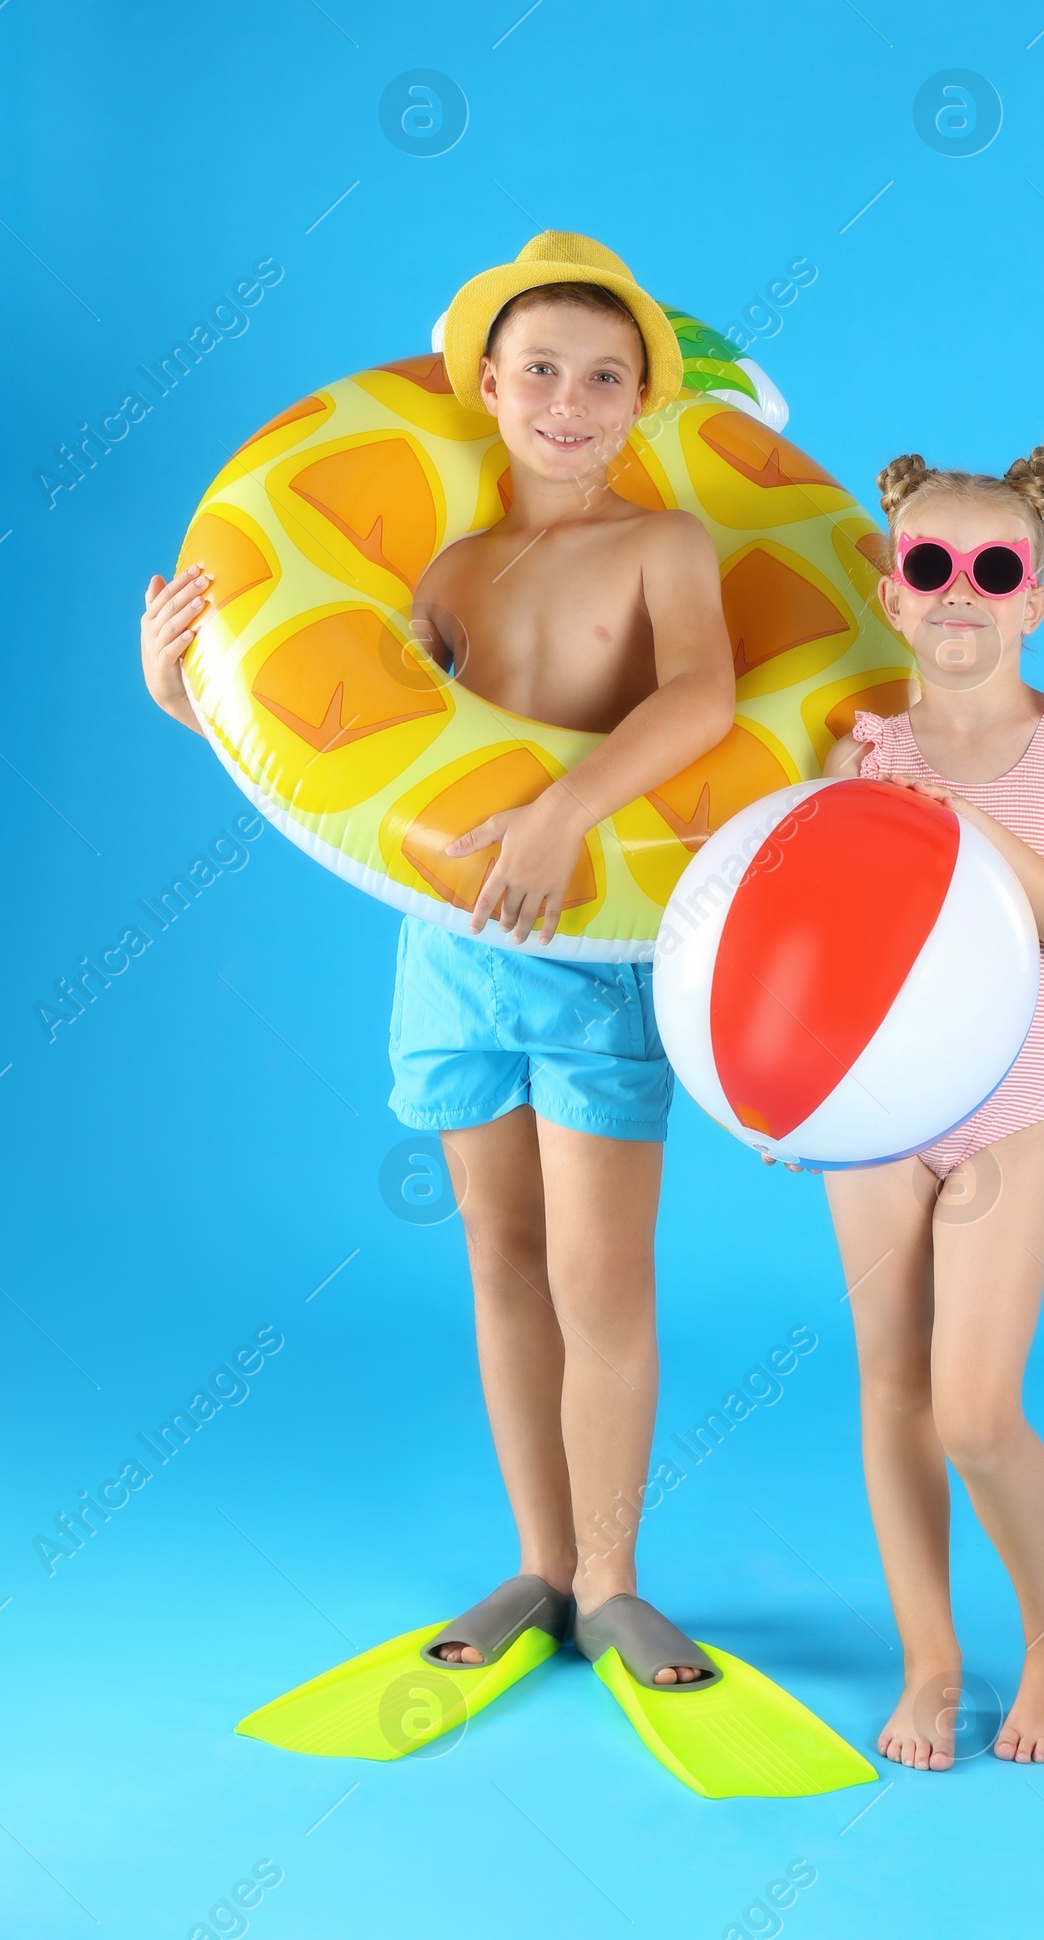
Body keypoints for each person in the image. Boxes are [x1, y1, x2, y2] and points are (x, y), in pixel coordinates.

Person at [140, 232, 736, 1692]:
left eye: (606, 378)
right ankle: (542, 1564)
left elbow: (706, 696)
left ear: (645, 400)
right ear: (486, 384)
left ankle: (615, 1580)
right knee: (503, 1260)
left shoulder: (663, 543)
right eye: (540, 371)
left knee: (605, 1279)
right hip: (455, 956)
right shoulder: (446, 569)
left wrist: (569, 807)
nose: (570, 402)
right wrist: (183, 691)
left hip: (594, 948)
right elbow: (338, 757)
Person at [820, 446, 1044, 1768]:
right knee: (891, 1387)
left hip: (1008, 1112)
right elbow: (813, 949)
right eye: (929, 568)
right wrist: (794, 1100)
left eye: (992, 570)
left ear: (1034, 602)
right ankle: (930, 1656)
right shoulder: (856, 747)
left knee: (974, 1409)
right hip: (878, 1105)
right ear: (892, 594)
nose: (960, 592)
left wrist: (966, 828)